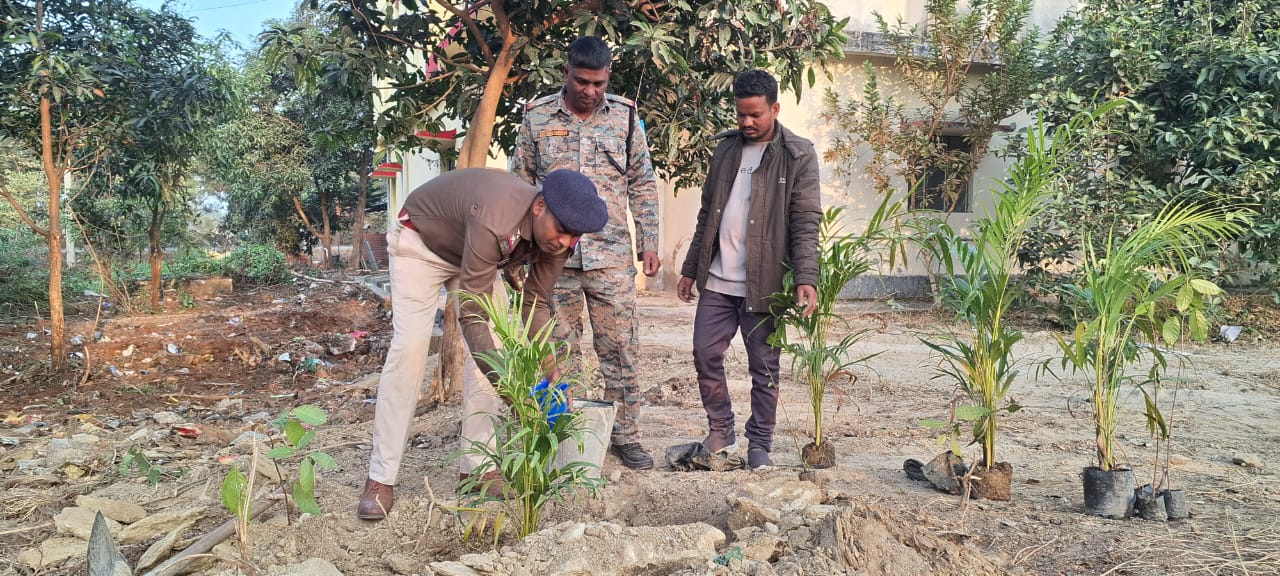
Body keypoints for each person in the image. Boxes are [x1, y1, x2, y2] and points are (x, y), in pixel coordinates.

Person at [357, 167, 608, 521]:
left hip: (476, 258)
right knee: (410, 351)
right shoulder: (496, 216)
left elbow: (535, 301)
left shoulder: (558, 239)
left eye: (575, 236)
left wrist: (553, 370)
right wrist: (513, 396)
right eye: (563, 231)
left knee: (498, 351)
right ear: (539, 208)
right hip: (422, 243)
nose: (566, 242)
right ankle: (380, 478)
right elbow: (472, 316)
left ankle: (477, 472)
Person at [511, 36, 660, 470]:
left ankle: (626, 436)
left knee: (621, 348)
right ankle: (562, 436)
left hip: (610, 257)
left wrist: (649, 240)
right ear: (566, 73)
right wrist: (519, 252)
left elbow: (642, 182)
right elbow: (520, 184)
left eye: (598, 83)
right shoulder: (537, 117)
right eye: (582, 81)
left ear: (608, 76)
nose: (590, 91)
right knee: (557, 350)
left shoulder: (625, 118)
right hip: (551, 257)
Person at [677, 69, 821, 471]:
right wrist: (690, 267)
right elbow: (707, 214)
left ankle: (760, 443)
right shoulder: (726, 150)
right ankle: (721, 429)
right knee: (705, 353)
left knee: (764, 367)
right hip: (718, 279)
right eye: (741, 114)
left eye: (755, 114)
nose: (746, 122)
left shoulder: (798, 154)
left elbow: (805, 221)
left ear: (775, 108)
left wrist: (806, 277)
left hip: (764, 282)